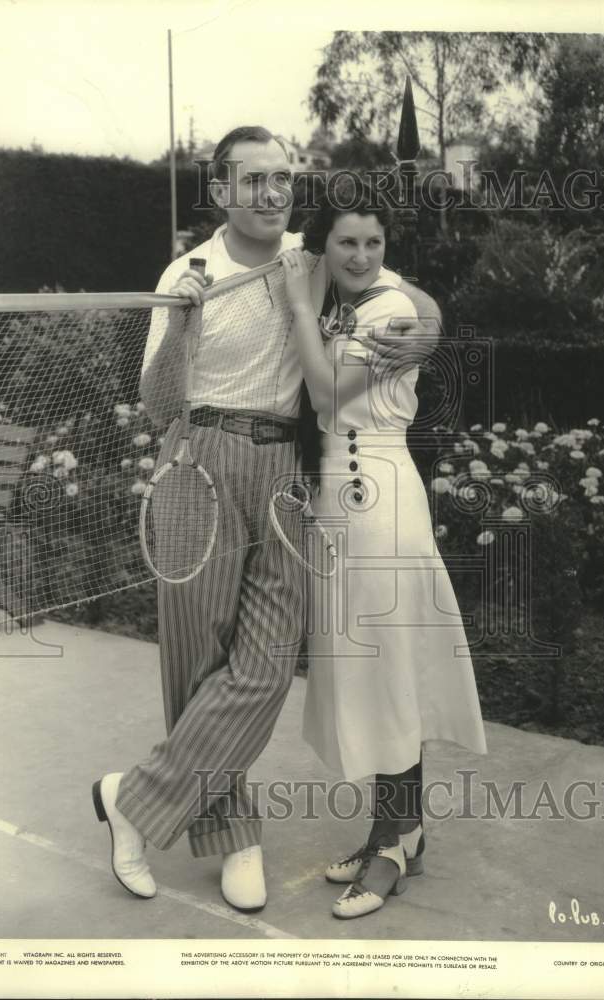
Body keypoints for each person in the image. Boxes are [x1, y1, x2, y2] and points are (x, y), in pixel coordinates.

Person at [92, 126, 442, 913]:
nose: (271, 192)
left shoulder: (307, 261)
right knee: (198, 660)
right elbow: (156, 406)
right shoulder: (187, 272)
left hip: (285, 471)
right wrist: (181, 321)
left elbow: (393, 285)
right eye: (253, 180)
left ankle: (132, 800)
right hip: (198, 460)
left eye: (281, 178)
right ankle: (232, 835)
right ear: (220, 191)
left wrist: (431, 319)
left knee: (267, 664)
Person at [279, 180, 487, 920]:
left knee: (389, 670)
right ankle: (395, 829)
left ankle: (396, 845)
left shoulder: (394, 307)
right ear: (323, 245)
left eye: (373, 241)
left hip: (380, 494)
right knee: (370, 671)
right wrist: (308, 297)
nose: (362, 255)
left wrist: (303, 307)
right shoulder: (335, 297)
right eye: (346, 242)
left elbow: (332, 393)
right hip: (341, 497)